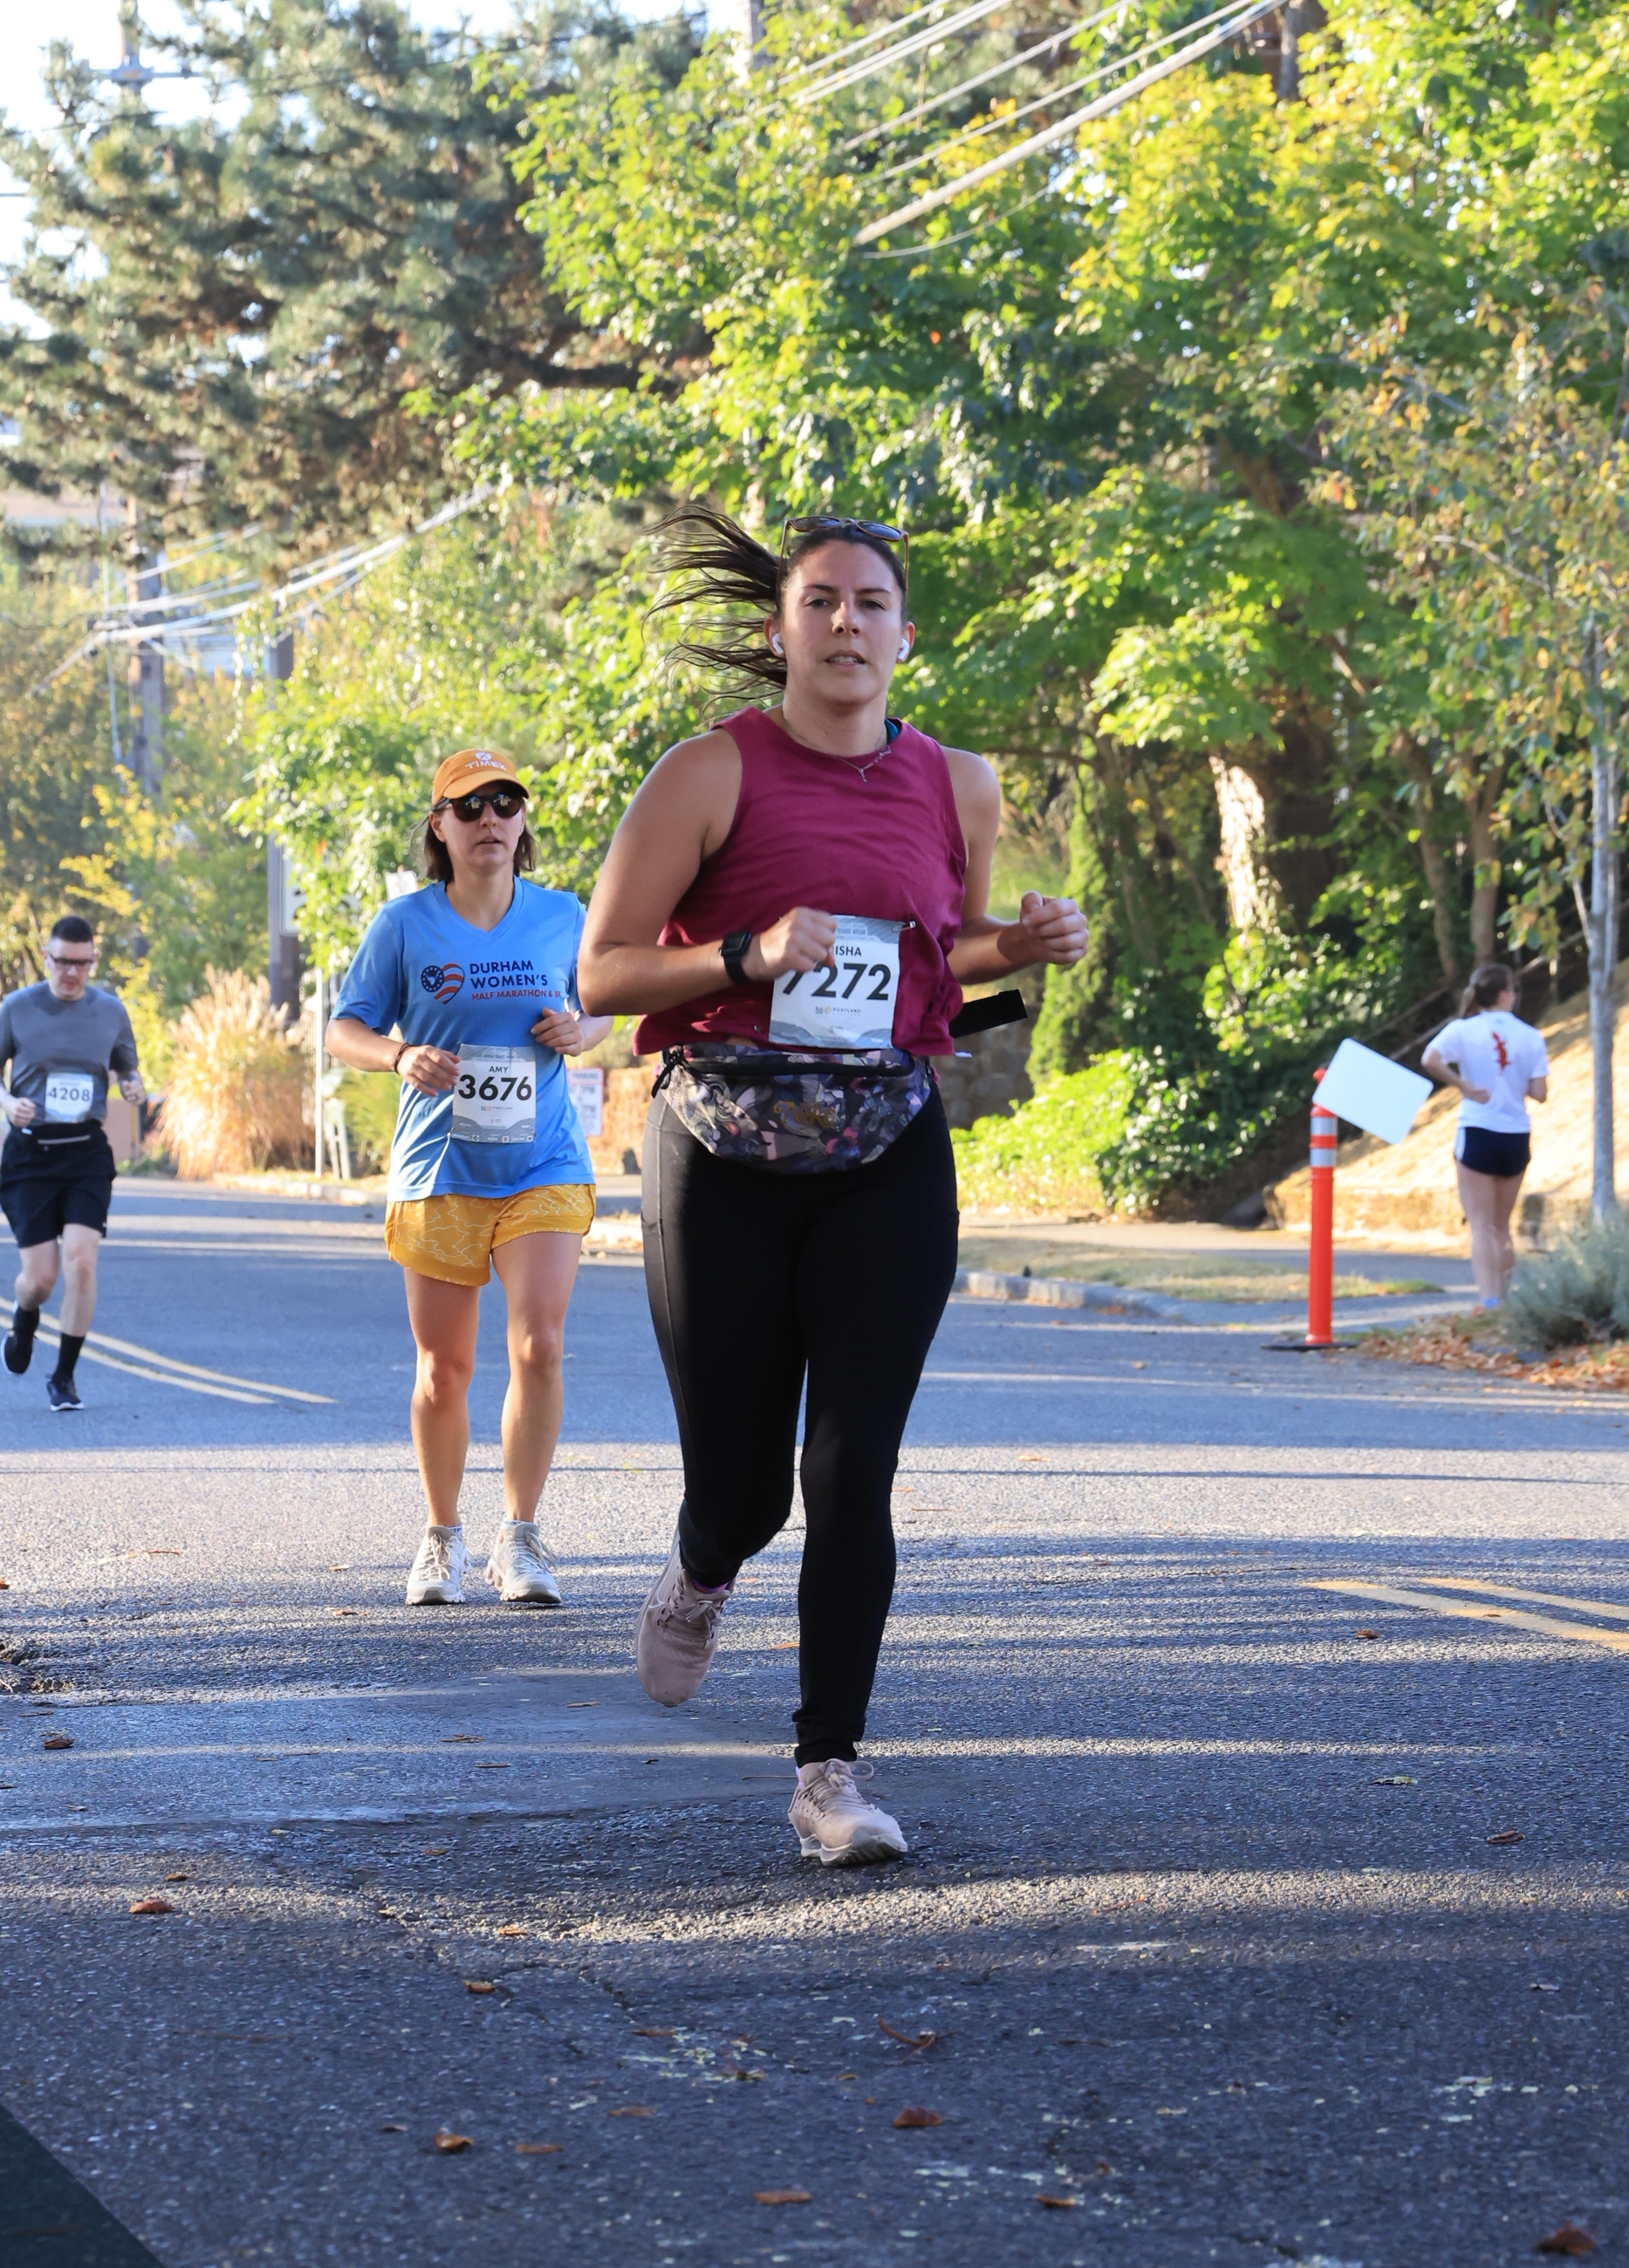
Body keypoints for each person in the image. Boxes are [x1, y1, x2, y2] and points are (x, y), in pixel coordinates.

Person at [578, 508, 1089, 1867]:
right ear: (781, 629)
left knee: (852, 1469)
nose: (847, 623)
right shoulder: (709, 772)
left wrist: (1027, 943)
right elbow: (604, 974)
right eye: (822, 601)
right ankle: (702, 1564)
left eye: (871, 603)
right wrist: (746, 952)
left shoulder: (956, 782)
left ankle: (829, 1776)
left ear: (904, 635)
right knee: (746, 1488)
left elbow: (946, 960)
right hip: (720, 1150)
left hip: (886, 1146)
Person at [326, 748, 613, 1604]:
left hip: (543, 1161)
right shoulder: (404, 924)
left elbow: (605, 1000)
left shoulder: (563, 914)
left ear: (523, 822)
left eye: (505, 802)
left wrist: (584, 1030)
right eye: (470, 806)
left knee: (540, 1344)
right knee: (442, 1369)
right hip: (440, 1165)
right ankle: (441, 1536)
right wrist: (398, 1055)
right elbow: (344, 1028)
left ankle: (519, 1538)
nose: (490, 818)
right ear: (439, 825)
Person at [0, 914, 147, 1411]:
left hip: (85, 1152)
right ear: (47, 958)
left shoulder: (110, 1011)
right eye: (62, 962)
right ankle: (24, 1319)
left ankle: (64, 1377)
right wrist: (7, 1101)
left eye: (82, 963)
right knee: (40, 1279)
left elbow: (128, 1068)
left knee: (81, 1261)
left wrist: (133, 1086)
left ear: (93, 960)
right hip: (30, 1152)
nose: (71, 972)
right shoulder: (18, 1007)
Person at [1422, 962, 1549, 1307]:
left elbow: (1430, 1059)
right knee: (1501, 1225)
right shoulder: (1531, 1036)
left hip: (1478, 1130)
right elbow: (1539, 1093)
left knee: (1480, 1225)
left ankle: (1489, 1302)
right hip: (1515, 1134)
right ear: (1504, 994)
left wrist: (1463, 1085)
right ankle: (1507, 1302)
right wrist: (1515, 1081)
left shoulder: (1462, 1030)